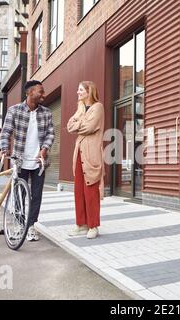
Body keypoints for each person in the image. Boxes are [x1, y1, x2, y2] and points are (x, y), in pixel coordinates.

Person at [0, 80, 55, 242]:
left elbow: (51, 134)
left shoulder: (46, 112)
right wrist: (5, 148)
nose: (43, 94)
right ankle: (19, 225)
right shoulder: (14, 110)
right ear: (29, 93)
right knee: (18, 194)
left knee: (36, 196)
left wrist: (44, 150)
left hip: (39, 162)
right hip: (20, 160)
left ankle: (31, 226)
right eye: (40, 91)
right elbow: (5, 133)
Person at [67, 81, 105, 239]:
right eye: (78, 89)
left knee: (91, 192)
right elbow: (69, 126)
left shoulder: (98, 107)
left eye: (81, 90)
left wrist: (78, 123)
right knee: (78, 191)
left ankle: (93, 226)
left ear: (89, 91)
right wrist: (80, 123)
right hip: (79, 153)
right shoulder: (80, 108)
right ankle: (81, 224)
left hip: (91, 154)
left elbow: (89, 128)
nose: (78, 92)